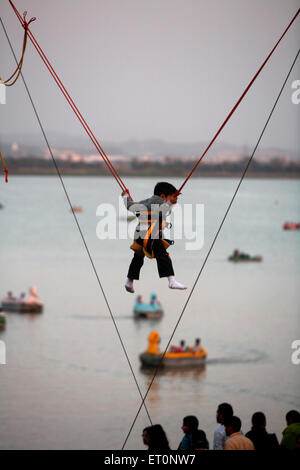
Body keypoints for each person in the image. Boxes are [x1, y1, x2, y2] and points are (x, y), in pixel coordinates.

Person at [122, 182, 187, 293]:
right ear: (163, 196)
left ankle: (129, 281)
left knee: (138, 258)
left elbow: (129, 206)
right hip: (151, 235)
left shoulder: (144, 202)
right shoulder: (160, 202)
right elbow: (162, 211)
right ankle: (171, 280)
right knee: (163, 256)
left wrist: (125, 196)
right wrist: (170, 203)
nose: (173, 200)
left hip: (139, 235)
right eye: (171, 197)